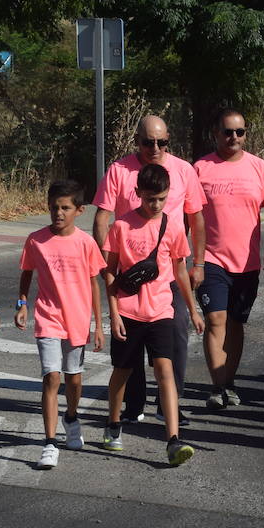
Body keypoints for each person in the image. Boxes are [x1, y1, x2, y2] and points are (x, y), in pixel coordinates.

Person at [92, 115, 205, 426]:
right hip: (130, 273)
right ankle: (134, 403)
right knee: (132, 341)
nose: (155, 147)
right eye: (147, 142)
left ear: (169, 139)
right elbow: (102, 218)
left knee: (176, 333)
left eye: (161, 141)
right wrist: (107, 263)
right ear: (137, 141)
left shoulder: (183, 170)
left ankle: (168, 404)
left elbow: (195, 220)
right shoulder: (119, 170)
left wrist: (199, 263)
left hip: (169, 270)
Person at [101, 163, 204, 466]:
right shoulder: (121, 226)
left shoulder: (172, 226)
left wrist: (193, 310)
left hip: (161, 311)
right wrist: (114, 314)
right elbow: (109, 273)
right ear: (137, 194)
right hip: (129, 313)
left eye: (160, 199)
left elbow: (180, 271)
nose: (155, 205)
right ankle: (113, 423)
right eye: (149, 199)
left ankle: (172, 440)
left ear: (167, 195)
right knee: (122, 372)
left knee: (165, 372)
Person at [194, 110, 264, 408]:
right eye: (228, 132)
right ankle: (217, 385)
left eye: (240, 132)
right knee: (215, 320)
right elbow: (188, 213)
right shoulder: (201, 168)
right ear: (216, 134)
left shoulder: (258, 168)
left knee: (235, 323)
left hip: (247, 262)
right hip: (210, 258)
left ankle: (228, 383)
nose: (234, 137)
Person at [15, 180, 107, 469]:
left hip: (77, 320)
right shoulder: (36, 240)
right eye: (54, 207)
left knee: (74, 380)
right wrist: (22, 304)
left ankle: (71, 417)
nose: (58, 212)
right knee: (51, 378)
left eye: (65, 208)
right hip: (48, 318)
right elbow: (27, 273)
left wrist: (99, 325)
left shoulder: (85, 242)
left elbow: (94, 284)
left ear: (79, 210)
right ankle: (50, 443)